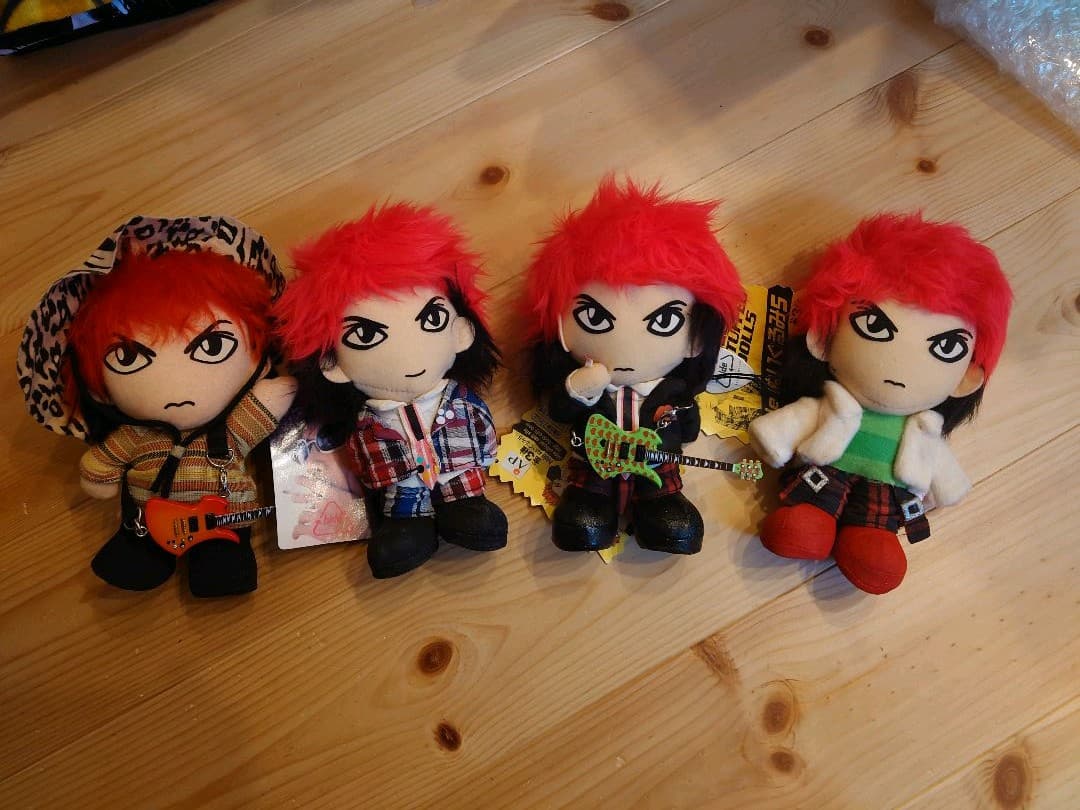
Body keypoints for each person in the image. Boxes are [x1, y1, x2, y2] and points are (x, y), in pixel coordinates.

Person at [749, 213, 1012, 594]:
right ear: (823, 339)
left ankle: (871, 541)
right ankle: (810, 520)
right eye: (874, 325)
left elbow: (942, 472)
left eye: (946, 347)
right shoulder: (831, 403)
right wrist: (773, 438)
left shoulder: (923, 429)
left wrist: (948, 487)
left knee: (875, 545)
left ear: (966, 379)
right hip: (826, 474)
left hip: (885, 493)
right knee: (804, 521)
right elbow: (796, 421)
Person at [275, 203, 505, 579]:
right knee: (404, 510)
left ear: (462, 331)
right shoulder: (369, 419)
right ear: (332, 365)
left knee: (468, 507)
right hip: (402, 485)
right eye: (365, 335)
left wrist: (486, 456)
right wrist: (374, 479)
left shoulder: (460, 400)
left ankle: (465, 507)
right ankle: (409, 525)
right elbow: (361, 455)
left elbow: (482, 427)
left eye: (432, 318)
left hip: (460, 476)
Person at [524, 177, 745, 555]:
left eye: (665, 320)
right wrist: (577, 389)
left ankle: (658, 507)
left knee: (665, 504)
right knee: (585, 507)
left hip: (656, 472)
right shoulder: (583, 381)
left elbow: (688, 430)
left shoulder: (673, 390)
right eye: (594, 316)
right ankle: (592, 505)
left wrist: (676, 412)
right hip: (593, 470)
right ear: (560, 328)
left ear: (696, 339)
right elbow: (559, 411)